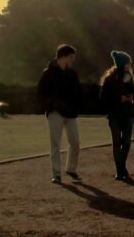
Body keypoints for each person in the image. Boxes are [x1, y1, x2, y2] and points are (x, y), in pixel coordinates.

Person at [37, 44, 83, 184]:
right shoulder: (48, 73)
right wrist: (51, 106)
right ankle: (56, 173)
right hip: (55, 112)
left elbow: (77, 91)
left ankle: (71, 168)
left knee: (75, 142)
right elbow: (41, 92)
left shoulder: (71, 73)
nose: (72, 59)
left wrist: (75, 106)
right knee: (55, 144)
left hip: (70, 113)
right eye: (71, 56)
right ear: (64, 56)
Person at [99, 50, 134, 180]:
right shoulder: (109, 79)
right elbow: (104, 98)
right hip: (114, 115)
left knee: (126, 142)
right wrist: (118, 98)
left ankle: (121, 167)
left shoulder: (129, 78)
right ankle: (120, 170)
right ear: (122, 64)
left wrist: (131, 97)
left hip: (128, 113)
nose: (129, 66)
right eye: (127, 63)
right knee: (116, 142)